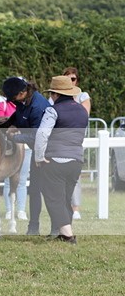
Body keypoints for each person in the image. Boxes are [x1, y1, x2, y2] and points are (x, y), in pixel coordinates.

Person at [34, 75, 89, 244]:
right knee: (65, 197)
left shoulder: (53, 110)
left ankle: (68, 235)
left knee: (53, 198)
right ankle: (63, 233)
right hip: (76, 161)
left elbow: (43, 133)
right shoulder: (82, 110)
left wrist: (39, 156)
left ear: (55, 94)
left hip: (55, 160)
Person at [0, 76, 50, 235]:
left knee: (47, 192)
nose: (12, 102)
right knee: (34, 190)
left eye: (13, 98)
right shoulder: (23, 102)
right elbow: (15, 118)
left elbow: (36, 136)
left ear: (22, 92)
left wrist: (14, 137)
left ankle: (56, 228)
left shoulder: (37, 106)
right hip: (37, 151)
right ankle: (33, 227)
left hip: (47, 153)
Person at [0, 88, 29, 221]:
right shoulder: (2, 105)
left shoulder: (26, 107)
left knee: (22, 179)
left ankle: (20, 210)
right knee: (9, 180)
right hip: (9, 145)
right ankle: (9, 210)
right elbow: (0, 124)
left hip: (25, 144)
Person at [62, 67, 91, 220]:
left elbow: (83, 115)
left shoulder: (82, 96)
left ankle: (75, 208)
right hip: (60, 142)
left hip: (76, 141)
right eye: (67, 79)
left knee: (75, 175)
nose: (70, 82)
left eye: (73, 79)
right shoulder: (56, 96)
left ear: (77, 80)